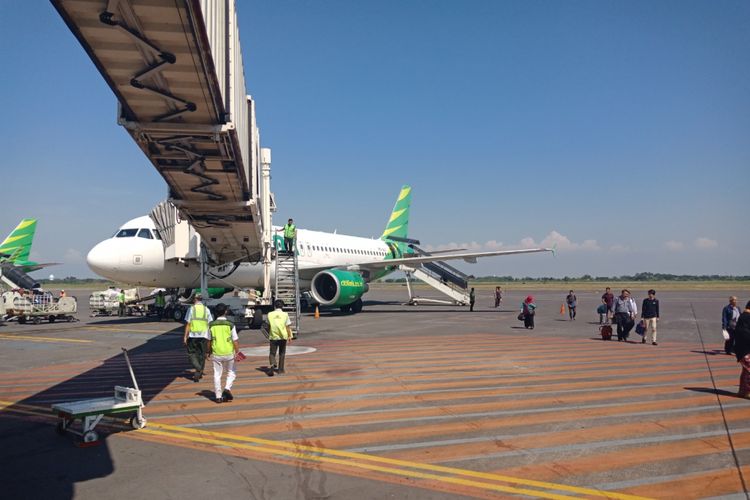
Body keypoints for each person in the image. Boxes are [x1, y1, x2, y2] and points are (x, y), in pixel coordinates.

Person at [207, 303, 240, 403]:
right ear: (225, 311)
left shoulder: (211, 325)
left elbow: (209, 341)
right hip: (229, 352)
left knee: (217, 374)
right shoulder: (230, 324)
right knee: (231, 372)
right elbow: (235, 340)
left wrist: (208, 352)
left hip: (216, 353)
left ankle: (218, 396)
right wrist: (237, 351)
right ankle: (227, 388)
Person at [183, 294, 214, 382]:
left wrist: (185, 336)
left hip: (193, 335)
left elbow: (188, 324)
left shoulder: (191, 309)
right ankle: (199, 373)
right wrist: (210, 337)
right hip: (204, 335)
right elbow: (209, 323)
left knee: (191, 353)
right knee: (202, 354)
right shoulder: (206, 309)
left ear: (195, 299)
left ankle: (198, 368)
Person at [267, 299, 292, 375]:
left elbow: (268, 325)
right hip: (283, 336)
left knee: (272, 353)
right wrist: (290, 335)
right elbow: (287, 326)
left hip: (273, 336)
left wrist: (269, 333)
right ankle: (281, 370)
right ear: (282, 306)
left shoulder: (270, 314)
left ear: (274, 306)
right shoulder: (285, 314)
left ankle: (273, 364)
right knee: (282, 353)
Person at [732, 301, 750, 398]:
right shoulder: (746, 317)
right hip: (745, 350)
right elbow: (745, 334)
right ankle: (747, 392)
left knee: (746, 371)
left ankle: (742, 391)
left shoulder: (744, 317)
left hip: (742, 349)